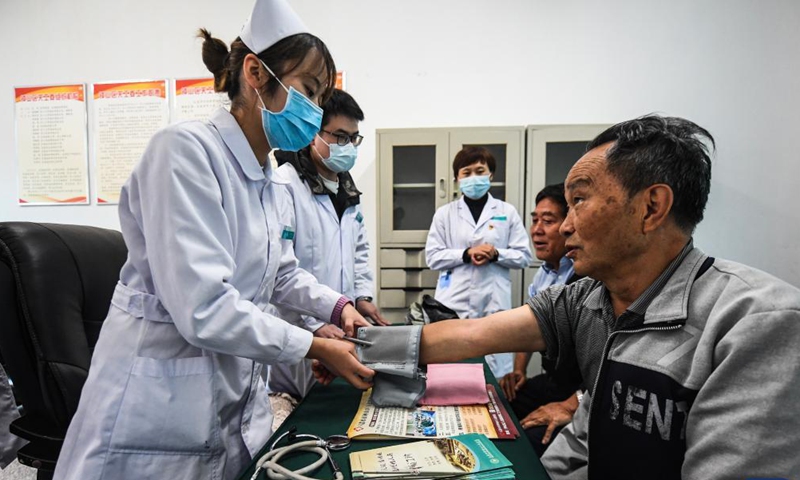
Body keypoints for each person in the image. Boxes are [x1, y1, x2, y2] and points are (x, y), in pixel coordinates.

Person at [53, 1, 374, 478]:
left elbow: (281, 273)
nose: (314, 111)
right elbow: (204, 307)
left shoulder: (270, 179)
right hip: (155, 413)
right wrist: (311, 344)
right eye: (308, 90)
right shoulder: (184, 153)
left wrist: (337, 306)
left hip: (229, 397)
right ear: (255, 73)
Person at [415, 115, 800, 479]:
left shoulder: (758, 323)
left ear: (650, 207)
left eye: (579, 201)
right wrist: (364, 344)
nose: (565, 226)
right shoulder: (589, 299)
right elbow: (474, 335)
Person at [268, 89, 388, 400]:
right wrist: (314, 323)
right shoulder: (284, 186)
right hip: (301, 332)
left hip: (340, 325)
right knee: (298, 405)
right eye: (340, 136)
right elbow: (278, 274)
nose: (348, 147)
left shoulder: (347, 190)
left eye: (354, 139)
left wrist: (361, 297)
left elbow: (359, 252)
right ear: (312, 135)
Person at [425, 146, 532, 378]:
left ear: (490, 174)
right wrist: (466, 254)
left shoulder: (507, 211)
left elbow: (524, 255)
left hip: (494, 301)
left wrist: (496, 254)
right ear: (457, 178)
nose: (474, 177)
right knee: (452, 369)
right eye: (467, 172)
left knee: (493, 375)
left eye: (480, 170)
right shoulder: (445, 214)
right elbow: (432, 256)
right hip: (455, 301)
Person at [498, 183, 583, 456]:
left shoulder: (585, 277)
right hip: (554, 379)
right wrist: (519, 370)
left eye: (548, 221)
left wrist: (572, 404)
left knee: (527, 443)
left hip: (581, 390)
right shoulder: (545, 273)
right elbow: (530, 325)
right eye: (534, 220)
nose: (536, 229)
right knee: (498, 404)